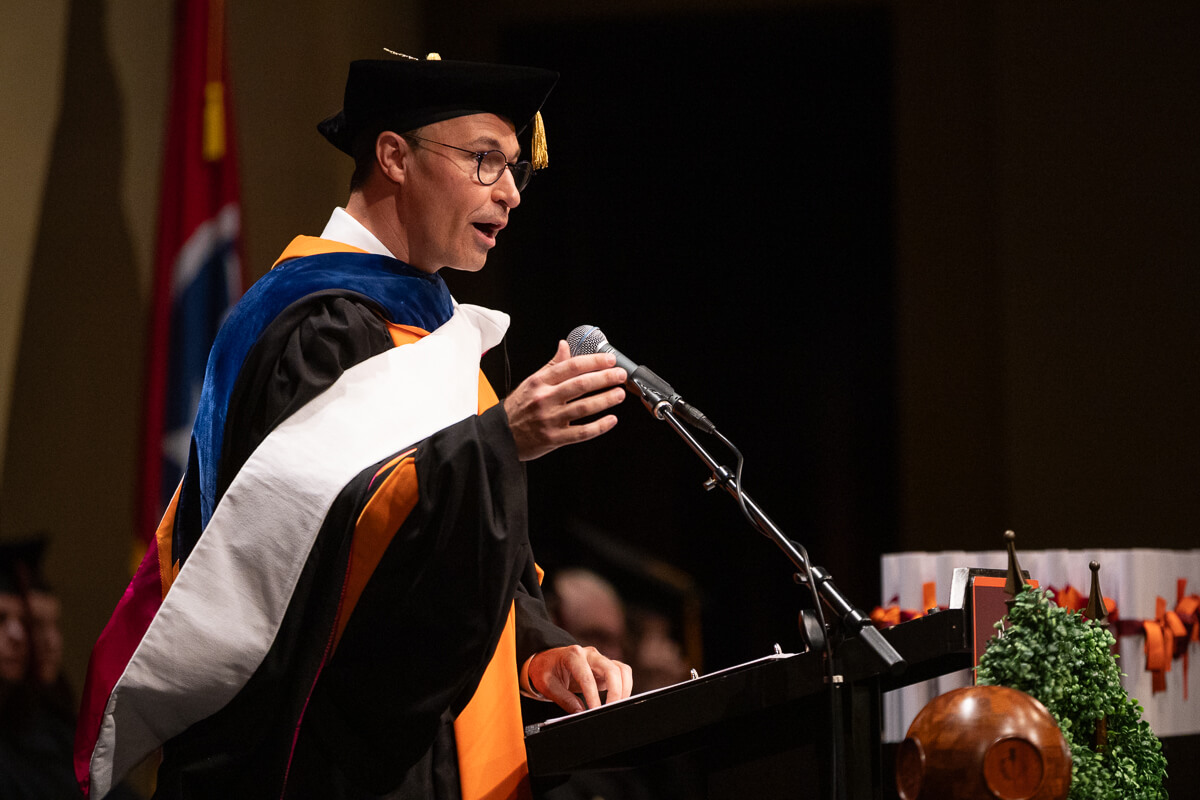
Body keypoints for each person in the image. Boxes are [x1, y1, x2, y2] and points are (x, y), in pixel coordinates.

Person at [76, 54, 634, 800]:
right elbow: (324, 558)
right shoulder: (317, 325)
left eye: (513, 170)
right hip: (327, 768)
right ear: (394, 156)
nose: (509, 192)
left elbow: (466, 555)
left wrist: (541, 650)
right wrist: (501, 441)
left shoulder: (438, 338)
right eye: (483, 161)